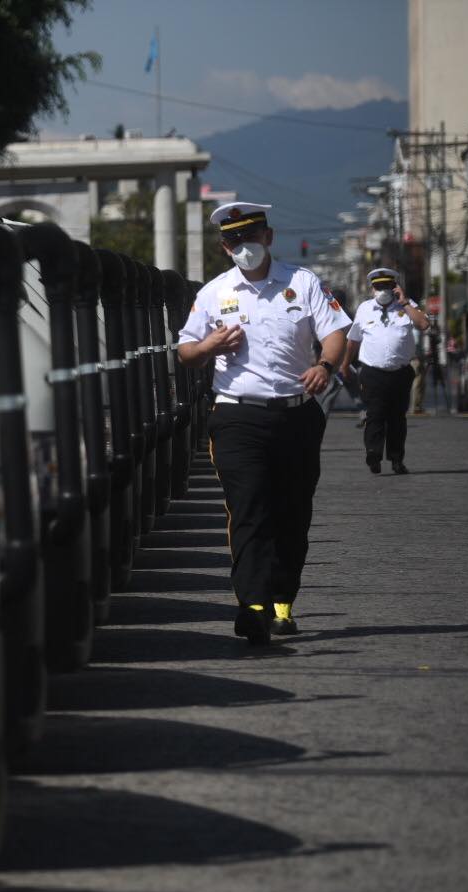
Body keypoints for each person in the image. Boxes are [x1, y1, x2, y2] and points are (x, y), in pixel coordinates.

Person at [176, 202, 350, 644]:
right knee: (249, 508)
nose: (243, 246)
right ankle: (252, 605)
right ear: (224, 246)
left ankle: (281, 604)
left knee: (291, 513)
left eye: (251, 237)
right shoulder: (215, 293)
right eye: (234, 240)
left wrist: (326, 367)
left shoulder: (302, 282)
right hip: (237, 416)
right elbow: (186, 350)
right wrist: (211, 344)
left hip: (296, 415)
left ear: (268, 237)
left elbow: (335, 332)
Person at [343, 267, 429, 474]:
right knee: (375, 414)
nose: (383, 290)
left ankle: (397, 459)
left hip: (400, 372)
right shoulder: (364, 309)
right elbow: (353, 340)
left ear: (395, 287)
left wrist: (405, 302)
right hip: (373, 372)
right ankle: (373, 454)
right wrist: (345, 364)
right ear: (372, 288)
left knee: (397, 418)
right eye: (378, 286)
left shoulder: (407, 307)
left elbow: (423, 324)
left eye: (387, 286)